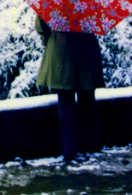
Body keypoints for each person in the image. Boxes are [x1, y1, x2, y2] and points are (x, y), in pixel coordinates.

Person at [35, 14, 104, 161]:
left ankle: (69, 149)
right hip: (86, 45)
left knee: (65, 99)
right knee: (88, 97)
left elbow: (42, 24)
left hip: (61, 46)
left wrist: (49, 38)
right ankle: (92, 144)